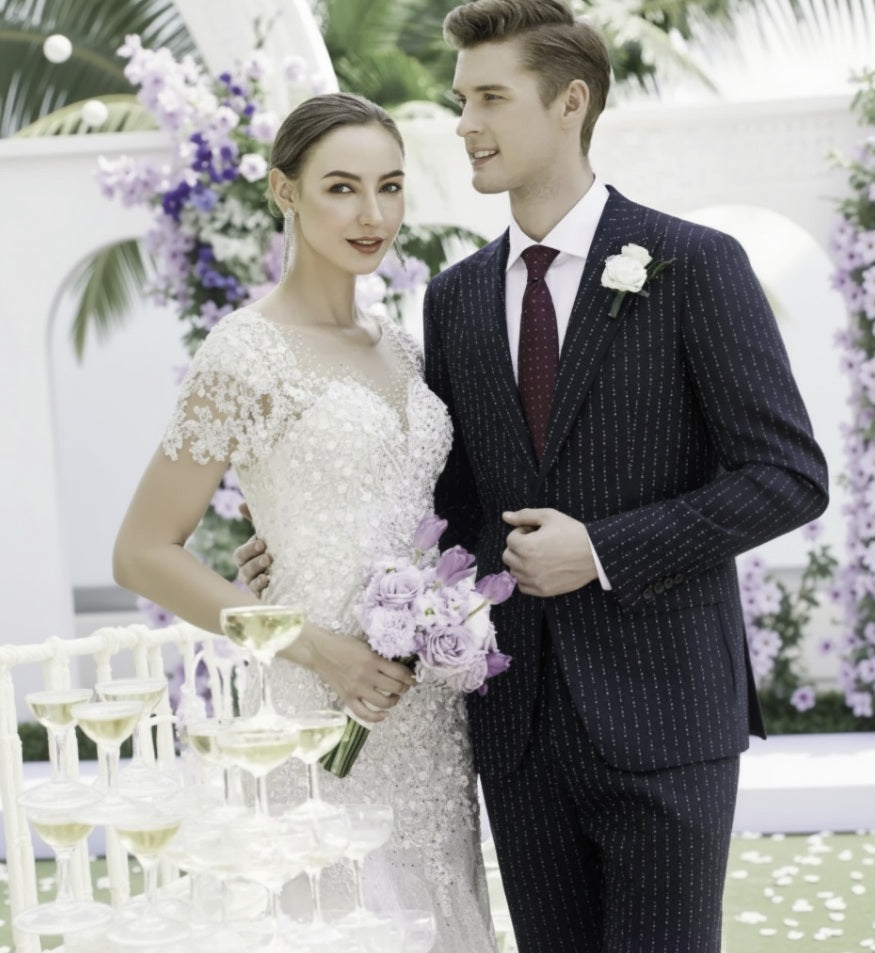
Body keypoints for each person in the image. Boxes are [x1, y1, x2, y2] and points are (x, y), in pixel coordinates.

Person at [239, 2, 829, 950]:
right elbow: (453, 500)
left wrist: (600, 549)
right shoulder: (458, 295)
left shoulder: (695, 265)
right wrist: (306, 539)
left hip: (665, 718)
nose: (463, 122)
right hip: (514, 725)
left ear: (568, 104)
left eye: (488, 98)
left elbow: (788, 474)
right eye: (459, 98)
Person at [113, 91, 498, 952]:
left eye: (391, 187)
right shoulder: (244, 352)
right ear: (285, 192)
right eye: (341, 188)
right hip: (317, 699)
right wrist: (314, 645)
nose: (372, 214)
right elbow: (141, 551)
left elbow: (410, 509)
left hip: (425, 714)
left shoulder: (398, 344)